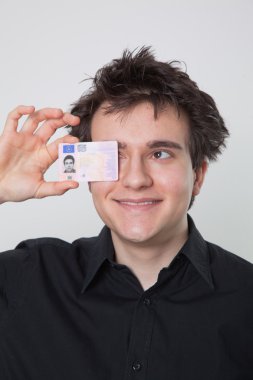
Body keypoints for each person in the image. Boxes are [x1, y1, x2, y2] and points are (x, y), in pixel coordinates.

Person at [0, 47, 252, 380]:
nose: (135, 179)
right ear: (86, 171)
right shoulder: (26, 278)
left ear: (198, 176)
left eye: (160, 153)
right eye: (113, 155)